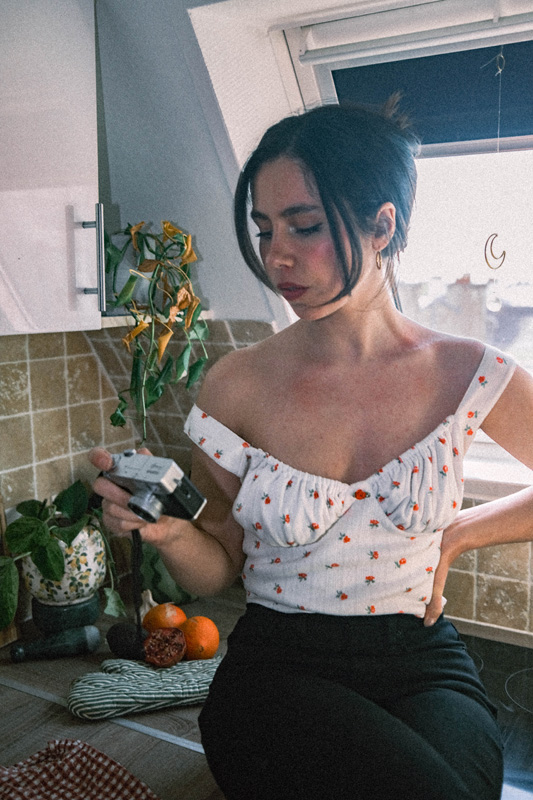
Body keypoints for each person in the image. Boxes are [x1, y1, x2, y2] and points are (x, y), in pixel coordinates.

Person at [90, 98, 533, 800]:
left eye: (305, 226)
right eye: (264, 229)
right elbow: (217, 568)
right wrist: (168, 533)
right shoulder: (235, 384)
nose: (277, 256)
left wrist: (457, 536)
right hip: (277, 671)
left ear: (382, 226)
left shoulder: (467, 373)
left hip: (423, 664)